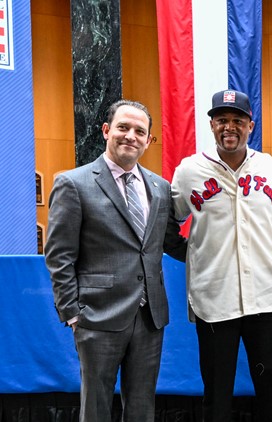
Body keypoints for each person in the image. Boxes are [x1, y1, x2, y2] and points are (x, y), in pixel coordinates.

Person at [45, 100, 186, 421]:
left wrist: (221, 250)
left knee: (142, 408)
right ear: (107, 130)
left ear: (149, 141)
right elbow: (59, 256)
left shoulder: (160, 188)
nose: (130, 136)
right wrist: (72, 313)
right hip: (96, 316)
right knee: (95, 409)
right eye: (123, 127)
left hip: (150, 317)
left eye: (140, 131)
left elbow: (171, 244)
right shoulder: (73, 183)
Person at [170, 89, 272, 421]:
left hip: (266, 298)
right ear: (212, 125)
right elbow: (169, 223)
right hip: (214, 300)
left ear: (251, 125)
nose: (229, 127)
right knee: (217, 396)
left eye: (238, 120)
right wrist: (193, 254)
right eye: (222, 120)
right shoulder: (190, 170)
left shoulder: (269, 166)